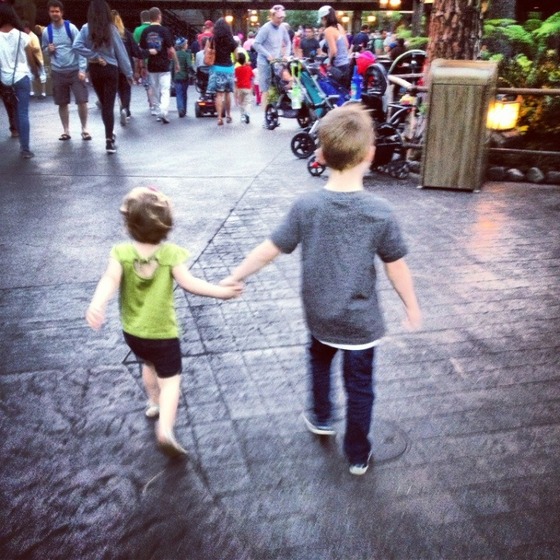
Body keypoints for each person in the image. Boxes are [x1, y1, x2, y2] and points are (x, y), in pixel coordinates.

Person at [221, 104, 422, 476]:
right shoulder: (379, 211)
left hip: (319, 315)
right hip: (361, 324)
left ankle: (322, 416)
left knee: (319, 359)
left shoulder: (307, 206)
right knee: (360, 387)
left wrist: (237, 275)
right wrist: (411, 305)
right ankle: (357, 453)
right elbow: (396, 265)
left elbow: (271, 248)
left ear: (321, 155)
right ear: (370, 154)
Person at [86, 187, 243, 457]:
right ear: (166, 226)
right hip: (163, 334)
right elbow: (190, 284)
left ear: (128, 225)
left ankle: (153, 403)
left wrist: (97, 303)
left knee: (148, 364)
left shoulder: (121, 253)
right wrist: (221, 292)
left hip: (133, 332)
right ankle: (166, 430)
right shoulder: (170, 255)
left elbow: (110, 279)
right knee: (170, 381)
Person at [73, 0, 134, 154]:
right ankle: (109, 140)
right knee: (109, 105)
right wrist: (128, 73)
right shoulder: (111, 28)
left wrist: (93, 55)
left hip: (95, 69)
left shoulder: (86, 28)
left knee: (103, 103)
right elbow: (121, 52)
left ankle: (110, 134)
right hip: (111, 69)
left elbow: (76, 46)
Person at [41, 0, 90, 141]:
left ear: (62, 12)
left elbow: (80, 48)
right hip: (58, 71)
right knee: (62, 102)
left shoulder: (71, 28)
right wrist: (48, 50)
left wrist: (82, 69)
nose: (55, 14)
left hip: (75, 70)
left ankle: (85, 129)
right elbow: (44, 50)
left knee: (82, 100)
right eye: (52, 11)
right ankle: (66, 130)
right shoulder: (47, 31)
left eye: (57, 11)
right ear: (49, 13)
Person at [0, 2, 33, 157]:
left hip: (5, 80)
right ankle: (25, 149)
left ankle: (15, 131)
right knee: (23, 112)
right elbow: (30, 56)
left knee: (13, 111)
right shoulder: (23, 36)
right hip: (21, 77)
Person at [253, 4, 291, 125]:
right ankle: (265, 119)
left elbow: (288, 42)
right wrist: (267, 55)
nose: (281, 20)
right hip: (264, 62)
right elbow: (256, 44)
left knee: (278, 87)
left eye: (282, 17)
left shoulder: (282, 28)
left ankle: (274, 112)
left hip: (277, 61)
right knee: (265, 89)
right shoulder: (266, 28)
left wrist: (286, 55)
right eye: (279, 17)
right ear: (272, 16)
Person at [139, 7, 178, 125]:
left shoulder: (145, 32)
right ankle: (163, 111)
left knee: (155, 89)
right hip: (164, 64)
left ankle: (157, 110)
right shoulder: (165, 31)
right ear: (159, 16)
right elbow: (171, 49)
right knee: (165, 89)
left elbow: (142, 51)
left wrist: (142, 66)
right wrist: (176, 63)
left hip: (151, 65)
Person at [111, 9, 146, 125]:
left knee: (116, 90)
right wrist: (148, 52)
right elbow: (136, 52)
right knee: (126, 89)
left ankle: (120, 108)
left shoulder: (106, 34)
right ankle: (126, 109)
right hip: (126, 66)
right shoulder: (126, 34)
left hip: (111, 67)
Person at [206, 17, 236, 126]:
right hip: (228, 68)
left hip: (216, 68)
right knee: (228, 94)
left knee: (219, 94)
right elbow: (236, 55)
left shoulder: (212, 39)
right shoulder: (231, 40)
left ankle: (219, 117)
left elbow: (206, 52)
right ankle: (228, 115)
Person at [317, 5, 350, 90]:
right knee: (345, 91)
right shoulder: (339, 27)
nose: (322, 22)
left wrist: (329, 63)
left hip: (338, 66)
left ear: (324, 18)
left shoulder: (328, 30)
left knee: (334, 91)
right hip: (346, 65)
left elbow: (333, 50)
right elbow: (347, 45)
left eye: (322, 19)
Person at [132, 9, 155, 113]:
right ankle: (156, 101)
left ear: (141, 18)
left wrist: (136, 68)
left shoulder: (137, 30)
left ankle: (151, 103)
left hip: (144, 60)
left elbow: (135, 48)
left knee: (148, 84)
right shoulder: (154, 28)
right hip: (156, 59)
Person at [22, 20, 46, 97]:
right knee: (30, 75)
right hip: (30, 59)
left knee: (42, 76)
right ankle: (32, 92)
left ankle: (43, 93)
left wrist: (29, 48)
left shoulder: (33, 36)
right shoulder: (25, 36)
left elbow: (37, 48)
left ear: (27, 28)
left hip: (38, 59)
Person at [172, 36, 192, 118]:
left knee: (178, 93)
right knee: (184, 93)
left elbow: (172, 66)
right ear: (183, 45)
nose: (187, 45)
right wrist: (192, 73)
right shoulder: (186, 55)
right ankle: (184, 109)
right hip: (185, 77)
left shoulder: (175, 54)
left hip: (176, 77)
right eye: (186, 44)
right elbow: (189, 65)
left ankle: (180, 108)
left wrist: (172, 77)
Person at [234, 51, 252, 124]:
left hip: (240, 87)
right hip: (247, 87)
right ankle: (247, 113)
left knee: (241, 102)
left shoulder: (237, 69)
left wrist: (235, 92)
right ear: (245, 60)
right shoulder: (249, 68)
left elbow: (235, 80)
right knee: (248, 102)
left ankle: (242, 116)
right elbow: (252, 77)